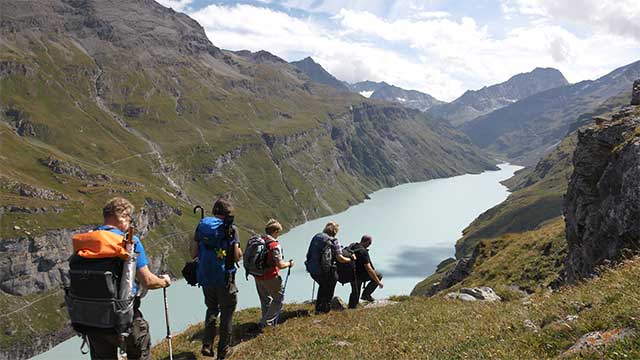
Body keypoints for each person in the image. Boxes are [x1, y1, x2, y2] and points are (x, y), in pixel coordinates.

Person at [88, 197, 172, 360]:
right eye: (130, 218)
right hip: (124, 317)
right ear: (121, 216)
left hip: (94, 320)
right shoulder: (129, 242)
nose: (131, 223)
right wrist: (164, 282)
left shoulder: (90, 241)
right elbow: (147, 280)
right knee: (140, 351)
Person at [191, 198, 242, 359]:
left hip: (205, 277)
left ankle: (207, 344)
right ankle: (224, 349)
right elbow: (236, 256)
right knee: (227, 311)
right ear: (228, 215)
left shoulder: (202, 227)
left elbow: (193, 253)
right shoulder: (231, 229)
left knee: (212, 309)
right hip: (225, 278)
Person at [305, 221, 353, 314]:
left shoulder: (317, 237)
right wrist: (350, 259)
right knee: (329, 290)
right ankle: (324, 310)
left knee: (322, 287)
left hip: (314, 270)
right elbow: (340, 258)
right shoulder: (334, 241)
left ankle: (318, 308)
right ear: (335, 231)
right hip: (327, 271)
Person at [254, 219, 294, 328]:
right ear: (275, 231)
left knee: (265, 299)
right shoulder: (274, 245)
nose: (278, 234)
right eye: (278, 232)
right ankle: (266, 323)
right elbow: (280, 264)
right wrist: (289, 264)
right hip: (270, 276)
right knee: (278, 298)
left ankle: (266, 320)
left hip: (257, 275)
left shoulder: (259, 240)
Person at [348, 235, 384, 308]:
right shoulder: (363, 252)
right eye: (370, 243)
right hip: (361, 275)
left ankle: (352, 307)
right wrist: (378, 282)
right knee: (379, 275)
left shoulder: (353, 246)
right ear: (367, 242)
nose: (369, 245)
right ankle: (366, 295)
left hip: (351, 274)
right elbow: (369, 269)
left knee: (355, 292)